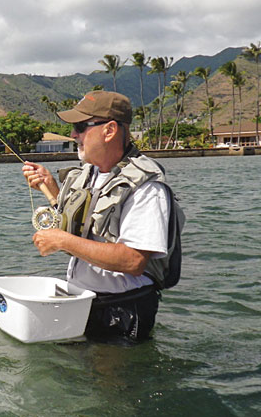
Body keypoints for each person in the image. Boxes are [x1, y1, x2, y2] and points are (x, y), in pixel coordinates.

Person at [22, 90, 173, 343]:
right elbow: (88, 225)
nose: (73, 135)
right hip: (86, 306)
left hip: (121, 313)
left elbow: (134, 260)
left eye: (81, 127)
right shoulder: (89, 174)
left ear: (110, 130)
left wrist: (61, 241)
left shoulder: (147, 188)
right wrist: (51, 187)